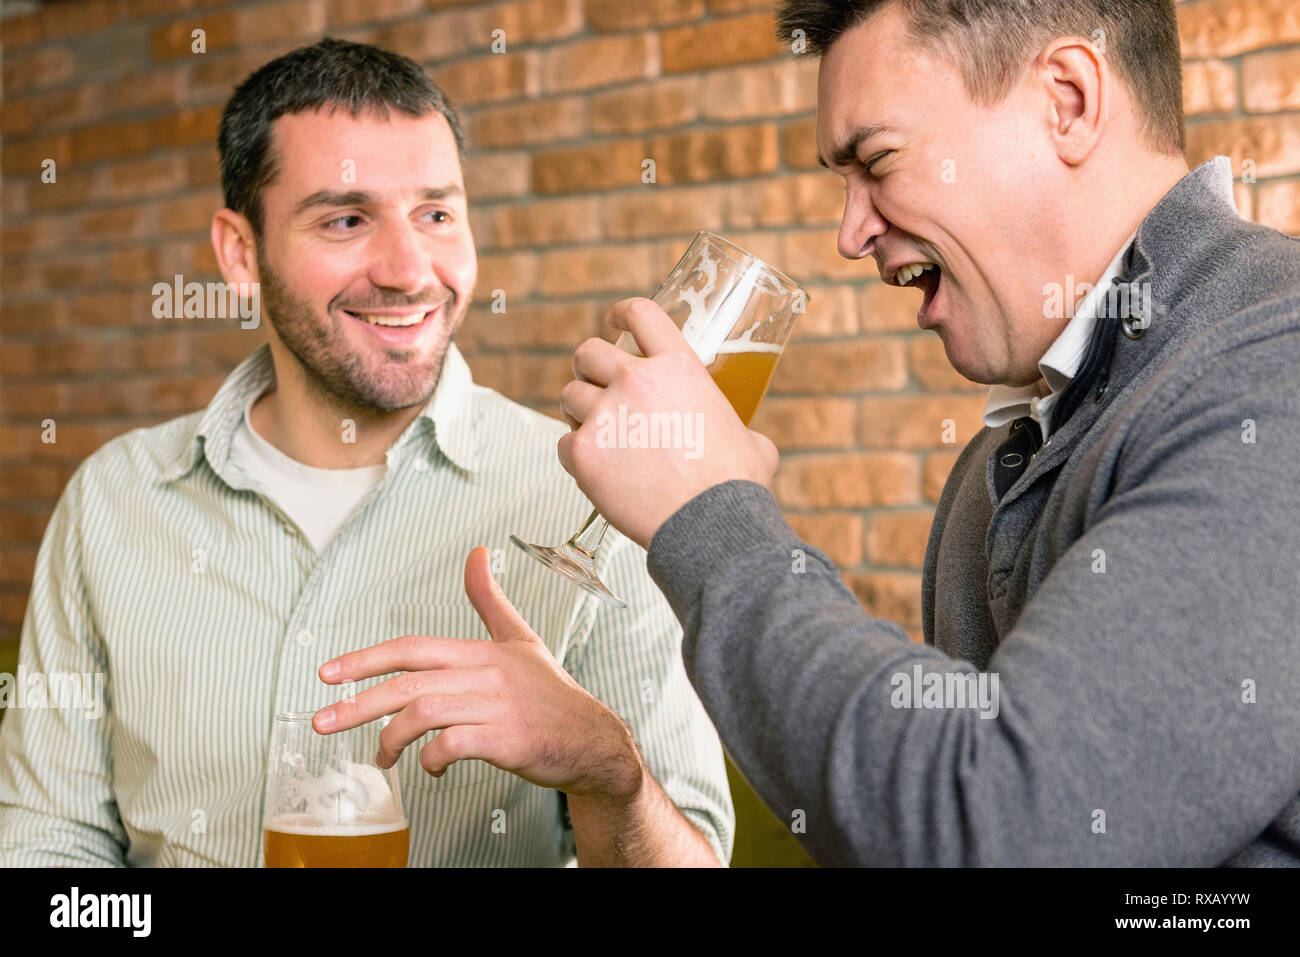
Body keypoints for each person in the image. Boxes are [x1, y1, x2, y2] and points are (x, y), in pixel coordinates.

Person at [556, 0, 1300, 865]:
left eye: (877, 161)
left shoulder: (1270, 368)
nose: (850, 232)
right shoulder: (992, 470)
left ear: (1067, 99)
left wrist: (709, 515)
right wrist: (611, 776)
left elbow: (1012, 828)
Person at [0, 38, 731, 868]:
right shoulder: (112, 500)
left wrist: (609, 773)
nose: (408, 268)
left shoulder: (595, 497)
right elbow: (47, 846)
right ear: (241, 253)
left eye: (436, 213)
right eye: (347, 218)